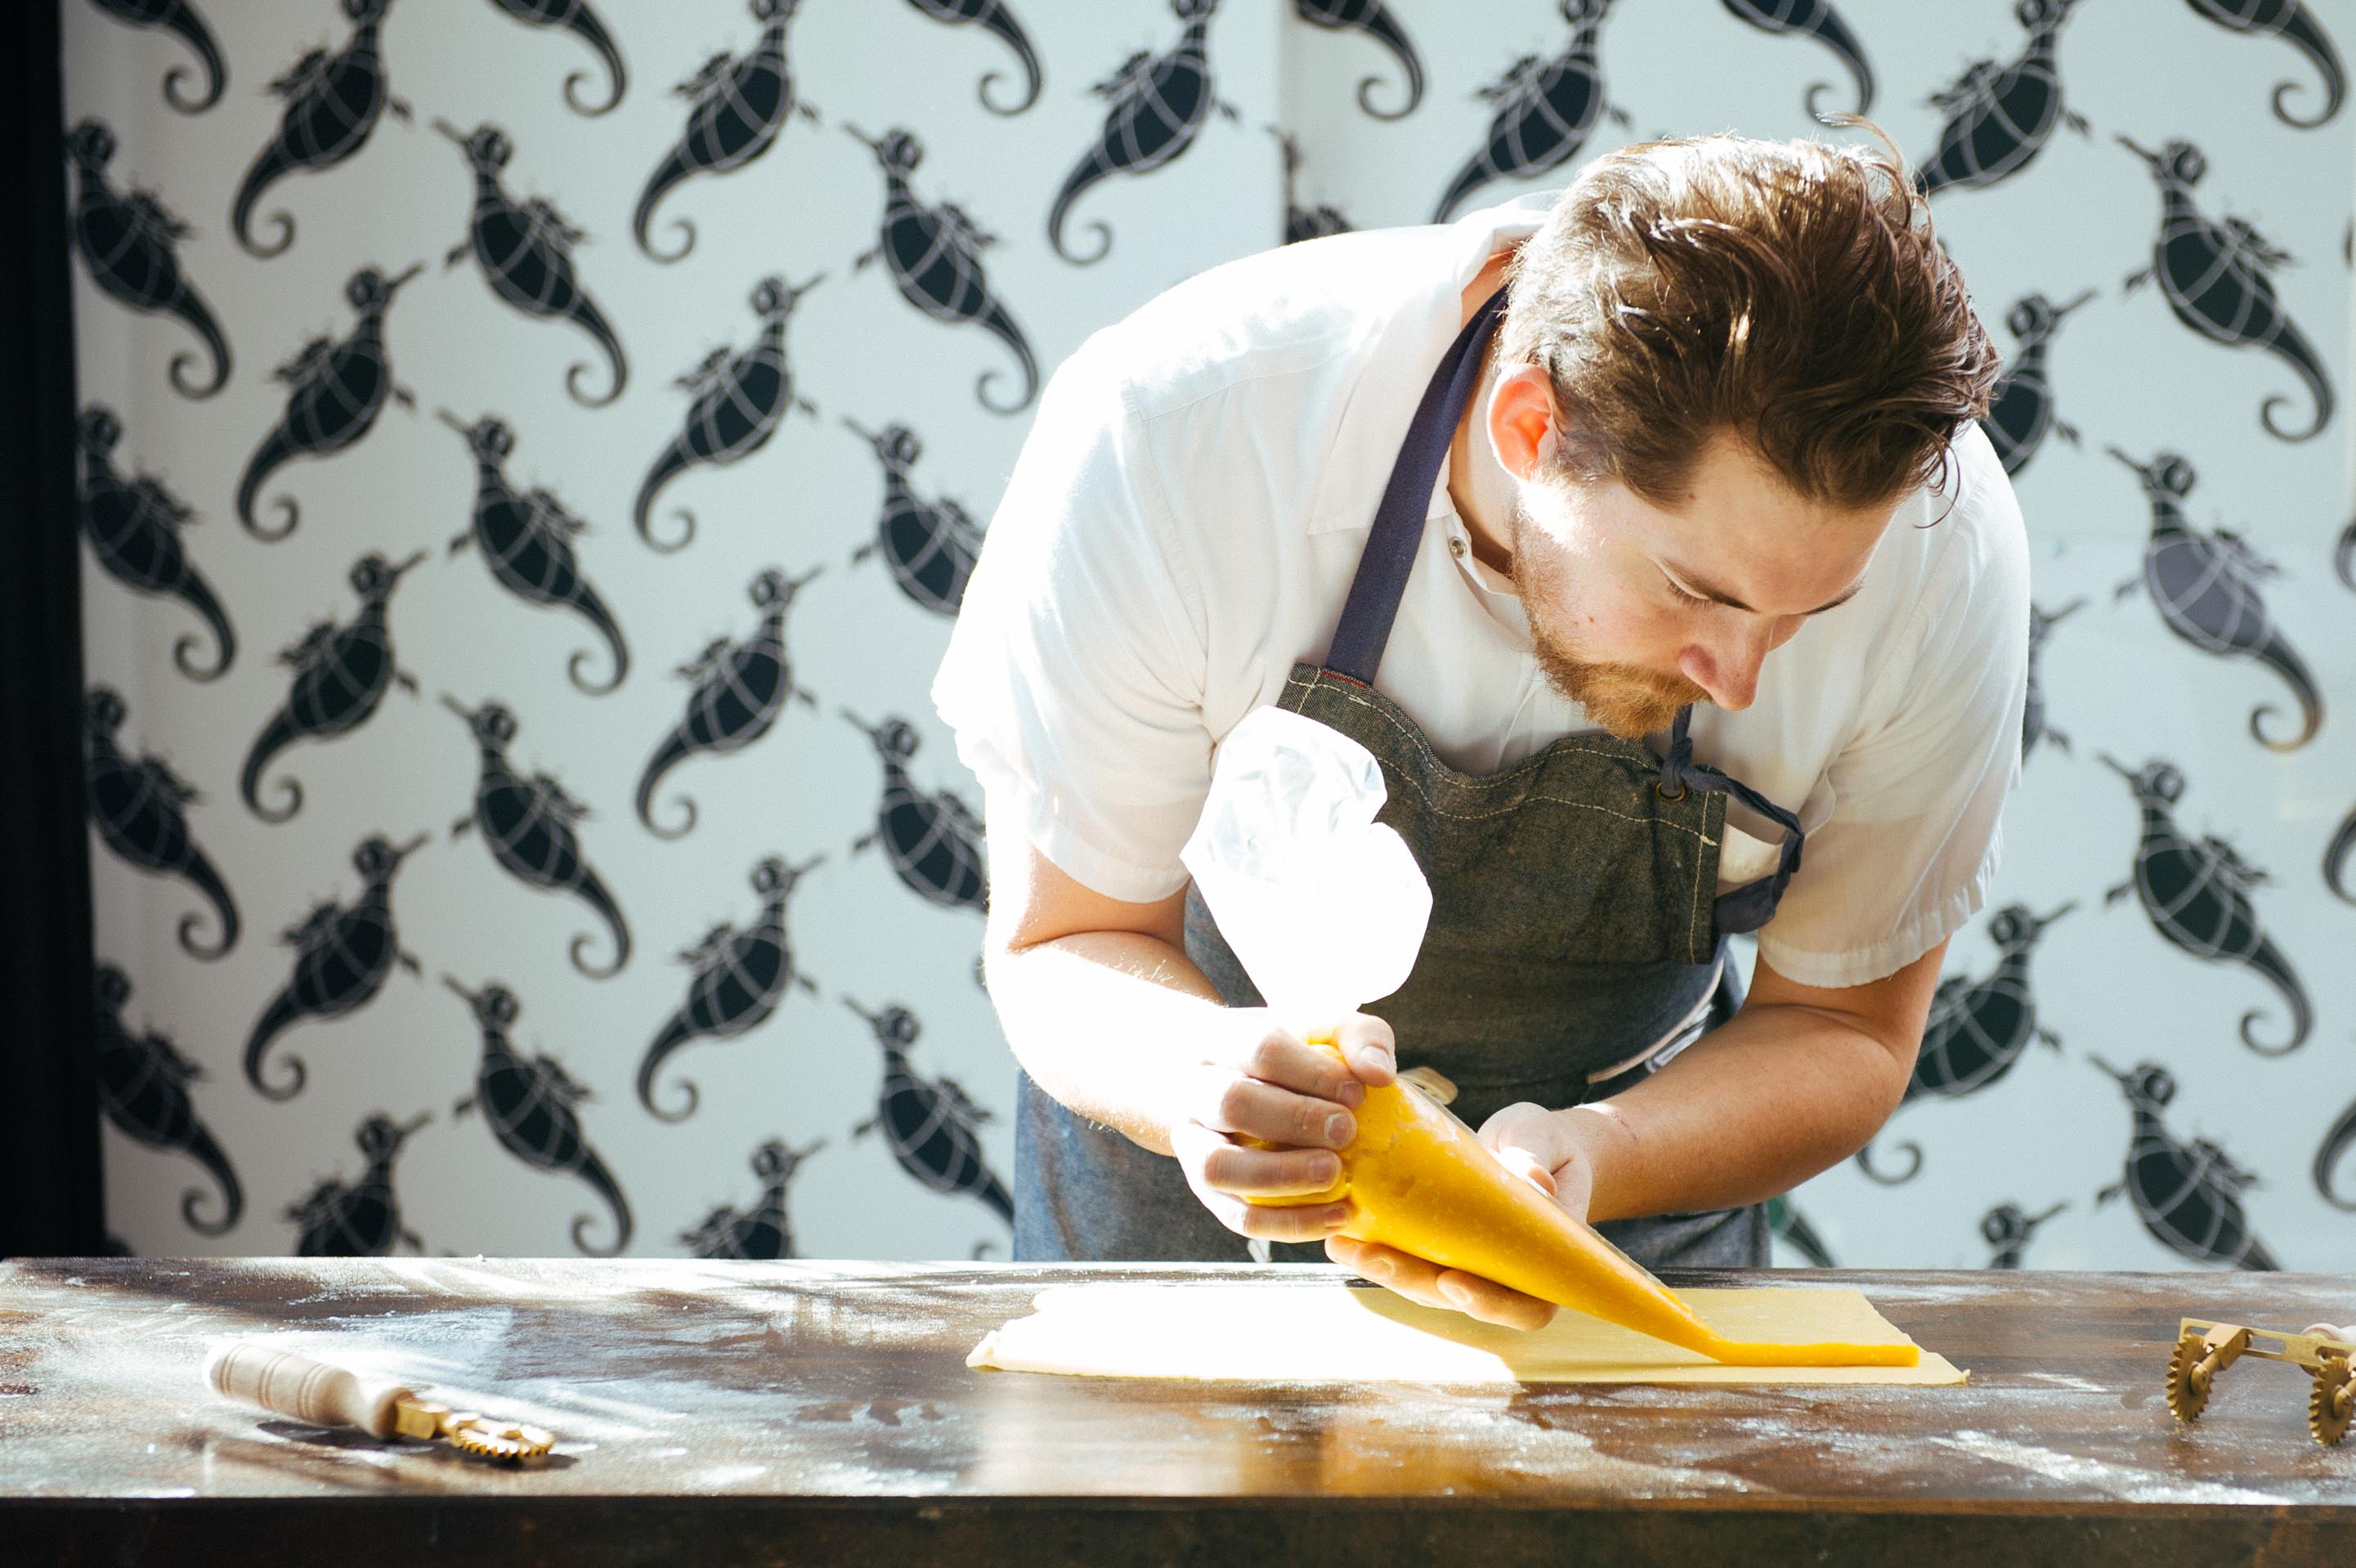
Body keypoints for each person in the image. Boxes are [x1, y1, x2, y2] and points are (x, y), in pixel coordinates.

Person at [932, 130, 2026, 1330]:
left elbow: (1844, 1027)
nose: (1740, 681)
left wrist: (1600, 1153)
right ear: (1528, 427)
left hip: (1624, 1198)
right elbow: (1064, 938)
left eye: (1810, 614)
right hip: (1182, 1190)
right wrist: (1193, 1079)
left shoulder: (1942, 553)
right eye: (1693, 591)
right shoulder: (1177, 440)